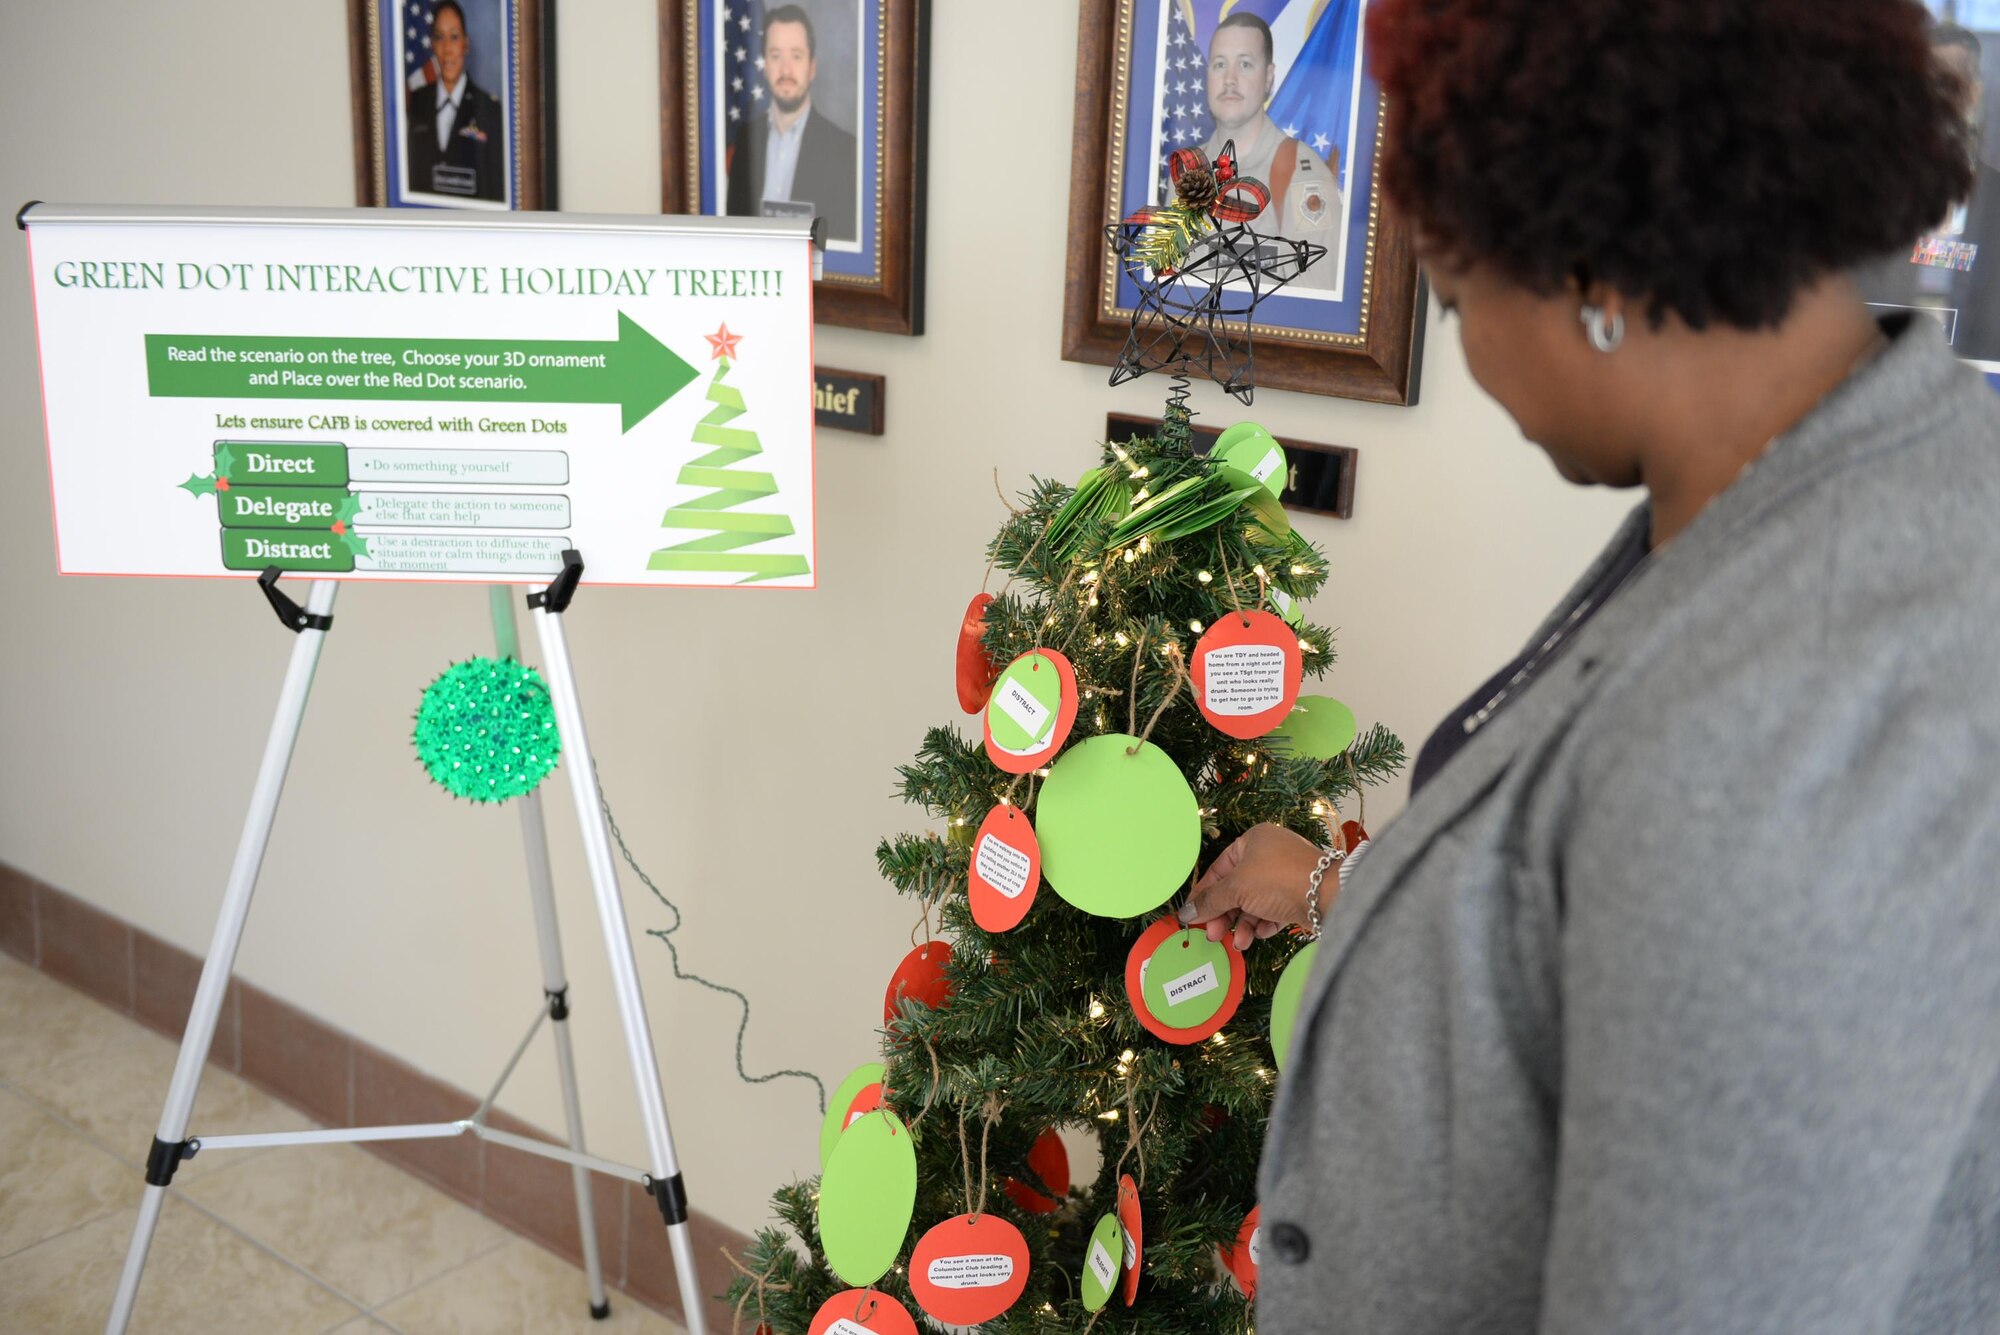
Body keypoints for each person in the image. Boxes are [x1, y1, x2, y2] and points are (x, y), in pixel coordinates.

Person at [1181, 1, 2000, 1330]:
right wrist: (1349, 883)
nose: (1476, 355)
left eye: (1453, 291)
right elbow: (1614, 895)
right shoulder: (1792, 498)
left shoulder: (1804, 705)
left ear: (1585, 268)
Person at [1858, 23, 2000, 362]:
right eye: (1927, 83)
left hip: (1968, 359)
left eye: (1949, 82)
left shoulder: (1993, 192)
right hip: (1874, 353)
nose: (1936, 98)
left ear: (1975, 91)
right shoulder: (1868, 180)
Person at [1198, 13, 1340, 290]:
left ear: (1269, 77)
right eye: (1219, 65)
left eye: (1245, 64)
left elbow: (1317, 294)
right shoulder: (1185, 173)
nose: (1230, 79)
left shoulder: (1300, 172)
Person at [725, 4, 858, 243]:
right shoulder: (744, 141)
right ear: (765, 65)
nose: (786, 69)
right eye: (776, 56)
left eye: (796, 56)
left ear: (812, 67)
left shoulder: (845, 151)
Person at [403, 0, 505, 203]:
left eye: (454, 37)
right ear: (432, 45)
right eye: (439, 38)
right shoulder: (417, 101)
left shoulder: (490, 110)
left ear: (465, 44)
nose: (447, 49)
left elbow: (496, 189)